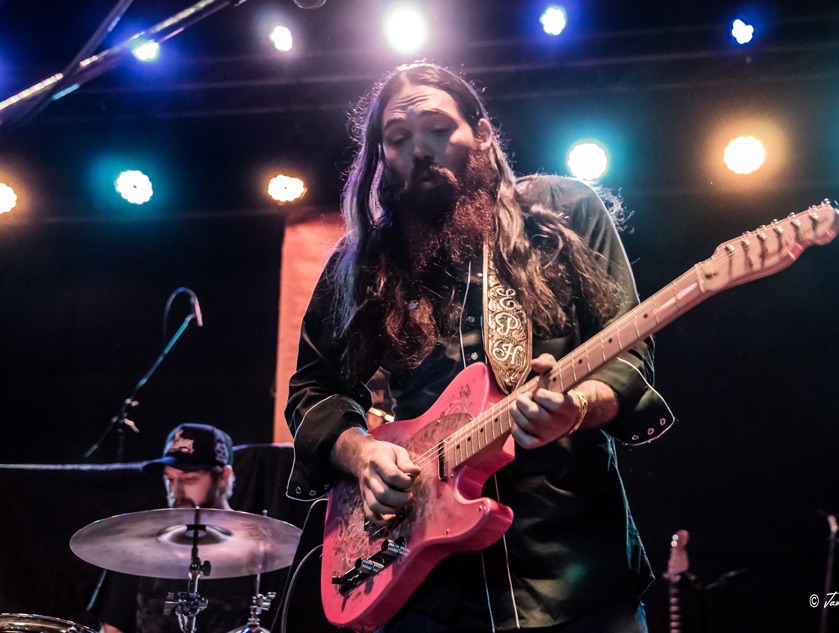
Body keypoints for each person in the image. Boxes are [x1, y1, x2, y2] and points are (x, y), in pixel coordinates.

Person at [285, 63, 671, 632]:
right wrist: (362, 455)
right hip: (423, 581)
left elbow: (628, 355)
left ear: (483, 134)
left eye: (439, 129)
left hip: (572, 569)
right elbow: (313, 388)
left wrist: (576, 407)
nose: (420, 150)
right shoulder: (364, 262)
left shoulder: (563, 213)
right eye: (398, 139)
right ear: (381, 157)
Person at [89, 423, 261, 633]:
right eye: (169, 479)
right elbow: (112, 629)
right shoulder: (138, 548)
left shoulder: (262, 551)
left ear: (223, 477)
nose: (175, 492)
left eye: (190, 479)